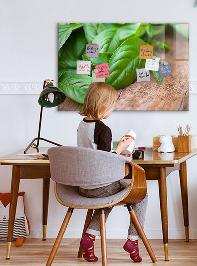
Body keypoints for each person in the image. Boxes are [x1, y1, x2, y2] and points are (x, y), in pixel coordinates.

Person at [77, 82, 147, 263]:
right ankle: (133, 240)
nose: (112, 109)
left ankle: (89, 238)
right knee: (142, 194)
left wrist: (116, 150)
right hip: (100, 186)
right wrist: (122, 148)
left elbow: (94, 154)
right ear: (103, 105)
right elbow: (105, 161)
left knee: (107, 198)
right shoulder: (103, 129)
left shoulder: (82, 125)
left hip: (83, 186)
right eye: (112, 105)